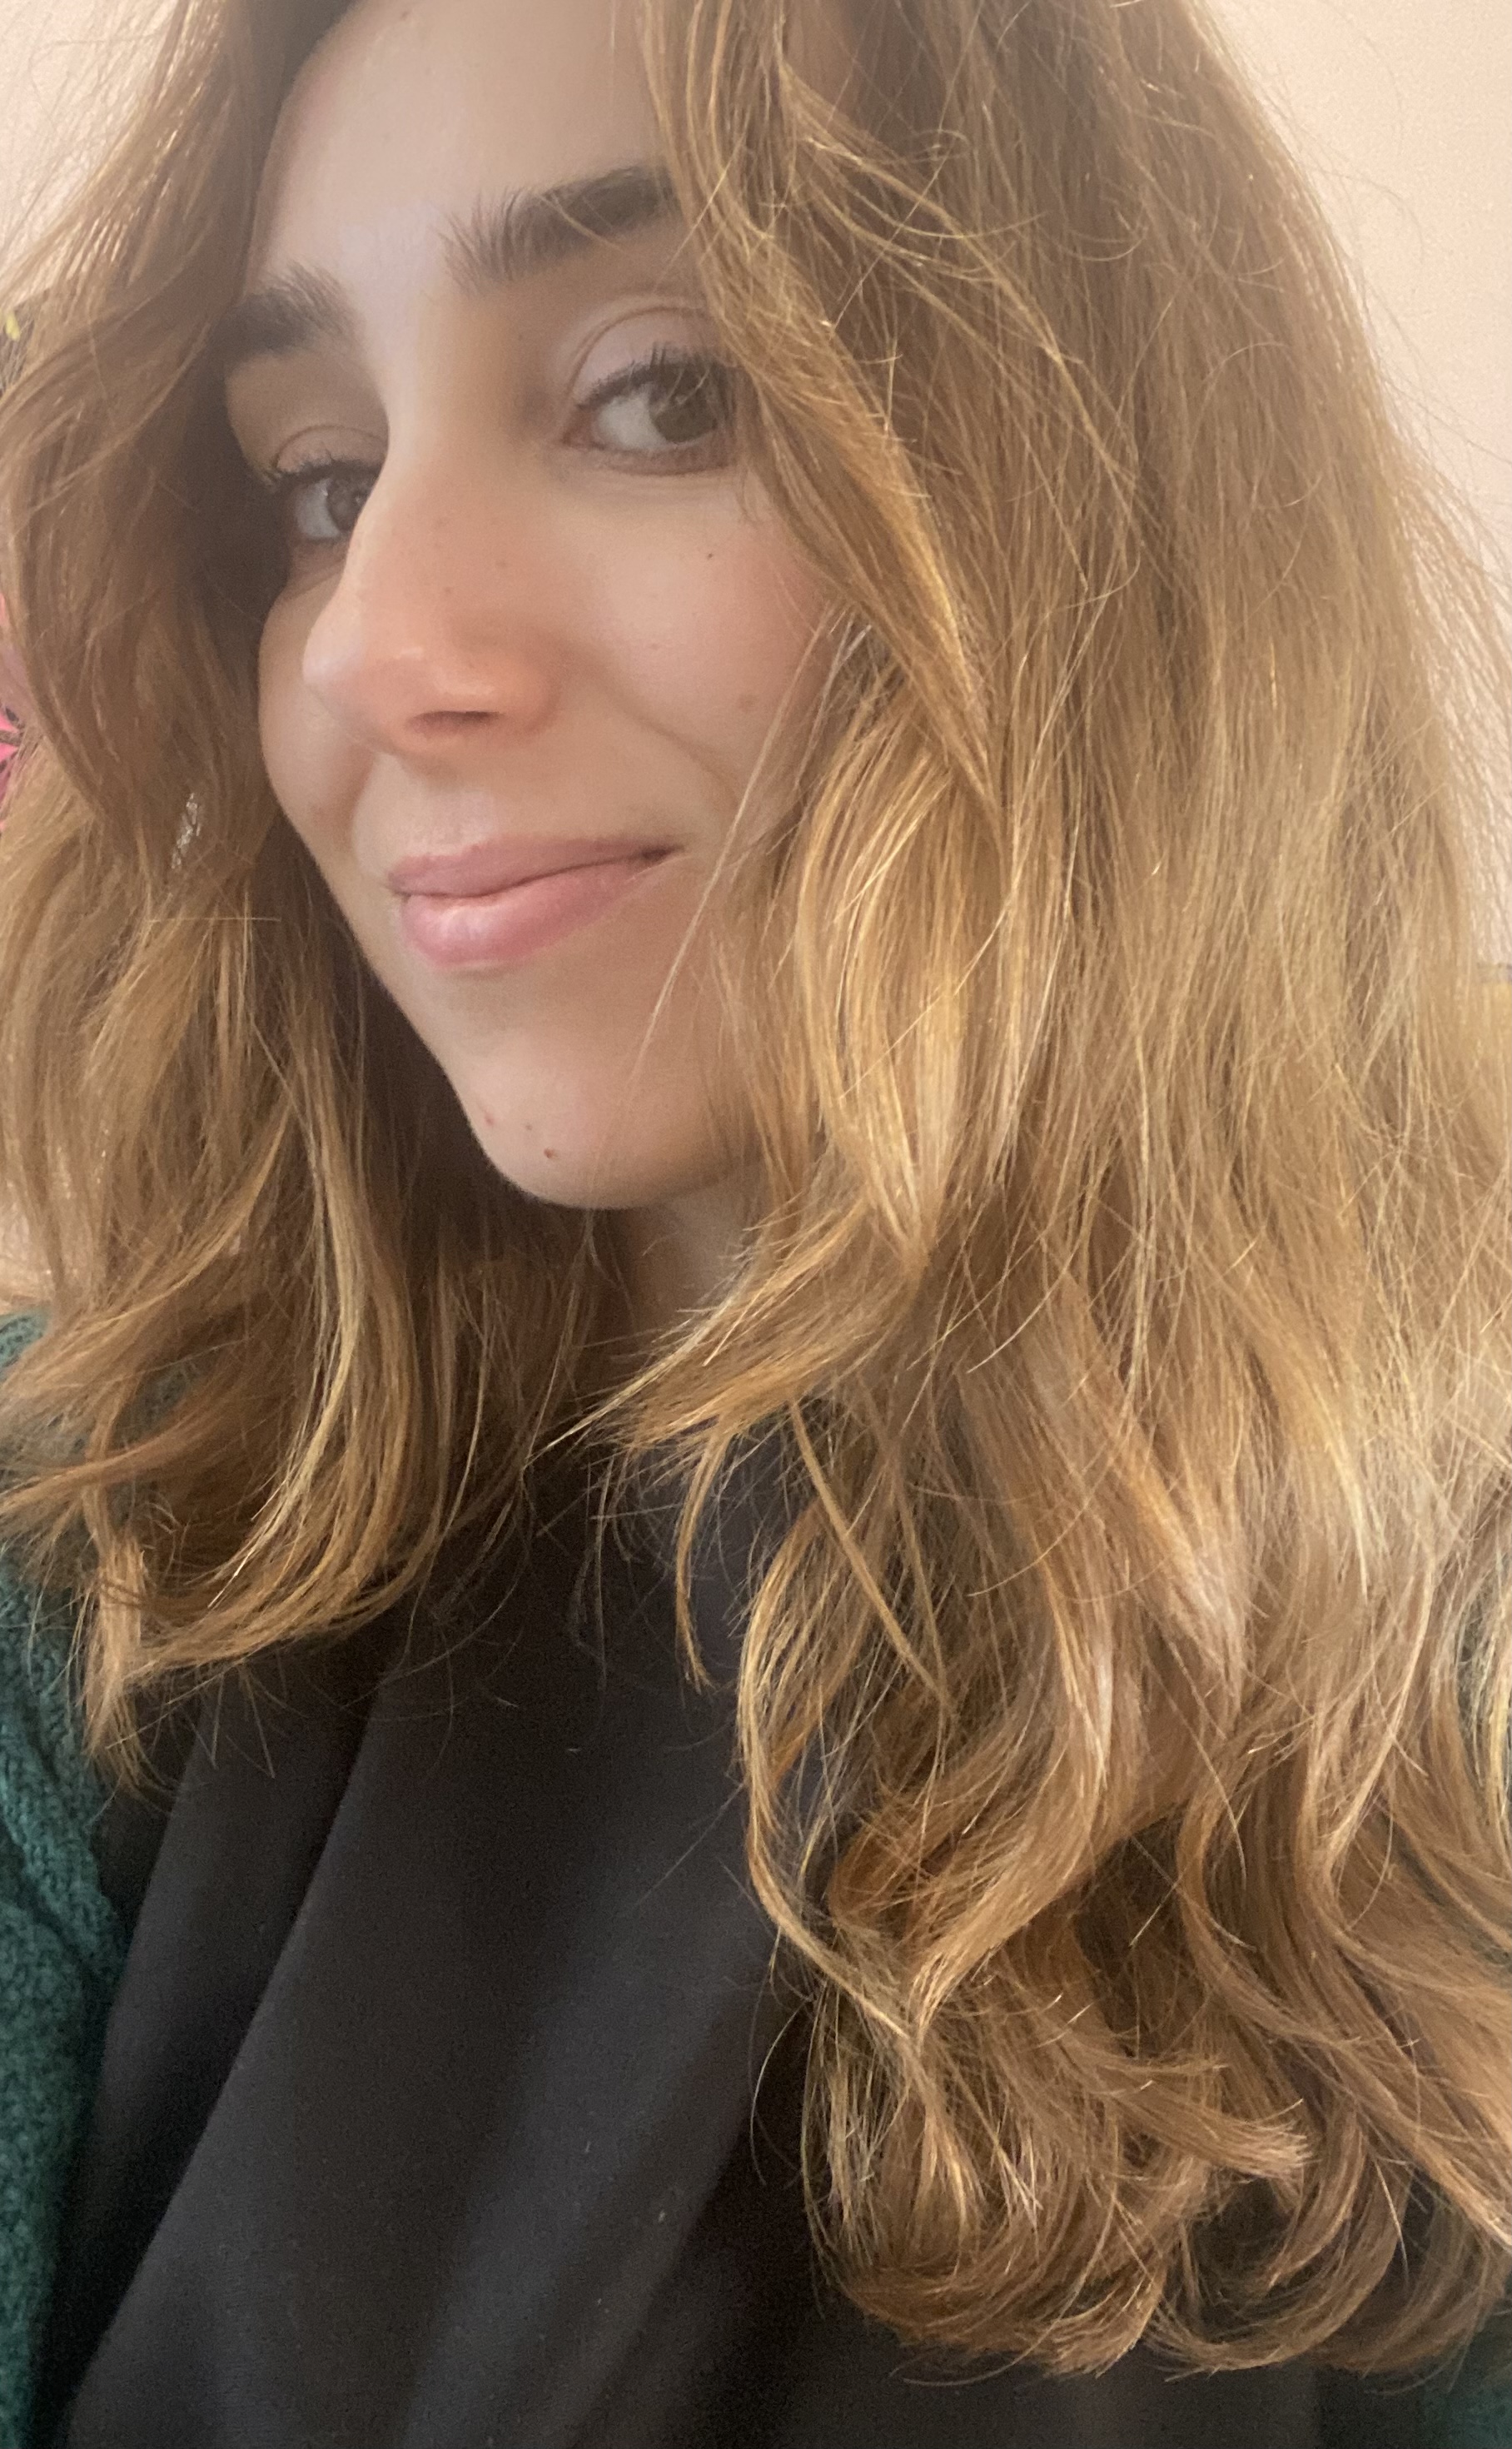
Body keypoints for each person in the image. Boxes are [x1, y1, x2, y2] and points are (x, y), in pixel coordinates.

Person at [1, 0, 1511, 2441]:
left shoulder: (1443, 1676)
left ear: (1123, 521)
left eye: (665, 393)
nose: (371, 648)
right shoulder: (85, 1574)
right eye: (319, 479)